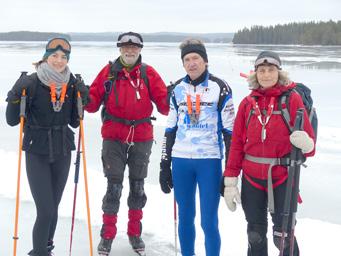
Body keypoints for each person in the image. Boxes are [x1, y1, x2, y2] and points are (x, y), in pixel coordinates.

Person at [222, 51, 315, 256]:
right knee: (255, 234)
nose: (266, 75)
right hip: (252, 179)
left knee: (283, 236)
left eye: (271, 70)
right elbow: (237, 144)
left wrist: (306, 143)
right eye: (261, 70)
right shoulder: (247, 104)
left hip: (282, 178)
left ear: (278, 72)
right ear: (255, 74)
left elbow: (310, 146)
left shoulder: (292, 100)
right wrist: (230, 180)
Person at [84, 31, 169, 254]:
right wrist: (83, 95)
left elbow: (165, 106)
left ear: (140, 49)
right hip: (113, 137)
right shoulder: (109, 72)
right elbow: (92, 104)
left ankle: (134, 232)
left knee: (138, 187)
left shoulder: (148, 73)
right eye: (125, 46)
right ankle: (107, 235)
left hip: (141, 136)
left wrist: (175, 94)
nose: (130, 50)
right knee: (113, 187)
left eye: (134, 47)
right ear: (119, 49)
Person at [6, 37, 89, 256]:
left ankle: (46, 249)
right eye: (54, 56)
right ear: (45, 57)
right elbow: (12, 120)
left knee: (54, 210)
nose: (59, 61)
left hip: (62, 149)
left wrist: (83, 99)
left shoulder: (71, 84)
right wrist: (15, 95)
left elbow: (73, 122)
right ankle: (39, 253)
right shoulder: (32, 82)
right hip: (37, 151)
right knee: (45, 210)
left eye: (64, 57)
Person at [159, 38, 235, 256]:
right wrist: (165, 164)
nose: (192, 63)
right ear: (183, 64)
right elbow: (170, 130)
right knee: (185, 217)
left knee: (209, 222)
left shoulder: (220, 87)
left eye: (196, 58)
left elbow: (230, 133)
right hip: (181, 161)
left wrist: (229, 172)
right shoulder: (176, 90)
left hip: (209, 161)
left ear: (205, 61)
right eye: (187, 59)